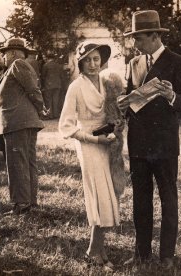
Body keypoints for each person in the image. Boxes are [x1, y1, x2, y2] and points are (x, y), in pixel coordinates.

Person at [119, 10, 181, 269]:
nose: (135, 44)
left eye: (138, 38)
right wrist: (122, 105)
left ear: (154, 36)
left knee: (168, 198)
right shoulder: (133, 64)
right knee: (141, 199)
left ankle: (166, 255)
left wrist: (172, 97)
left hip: (164, 145)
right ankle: (141, 253)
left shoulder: (178, 62)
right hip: (138, 144)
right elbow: (129, 100)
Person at [59, 42, 125, 271]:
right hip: (89, 145)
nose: (93, 64)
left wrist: (115, 124)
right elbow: (66, 126)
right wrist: (94, 139)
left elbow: (113, 111)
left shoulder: (107, 83)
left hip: (108, 143)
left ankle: (96, 250)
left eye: (96, 59)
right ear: (80, 63)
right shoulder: (75, 87)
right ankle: (95, 253)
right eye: (88, 60)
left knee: (109, 195)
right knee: (99, 196)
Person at [0, 38, 47, 215]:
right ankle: (29, 202)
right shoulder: (16, 66)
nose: (4, 57)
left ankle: (21, 205)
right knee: (26, 162)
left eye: (6, 53)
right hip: (22, 122)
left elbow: (33, 89)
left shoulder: (17, 64)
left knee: (18, 163)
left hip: (18, 122)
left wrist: (40, 107)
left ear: (14, 53)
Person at [41, 51, 64, 119]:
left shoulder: (46, 65)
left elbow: (43, 76)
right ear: (54, 58)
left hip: (48, 85)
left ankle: (50, 115)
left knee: (48, 100)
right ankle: (56, 115)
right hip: (57, 85)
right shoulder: (58, 65)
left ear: (48, 58)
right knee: (56, 100)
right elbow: (62, 76)